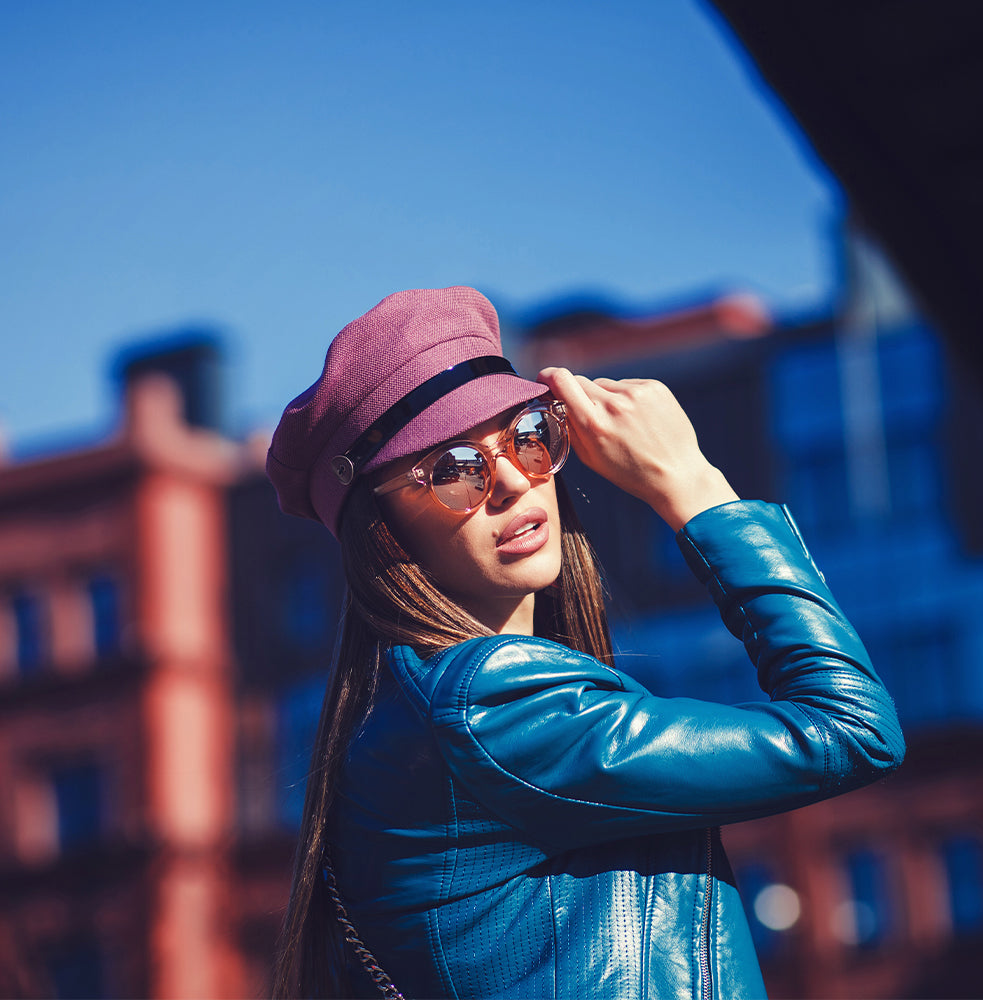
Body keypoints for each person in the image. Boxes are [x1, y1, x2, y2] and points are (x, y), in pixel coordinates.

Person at [266, 286, 904, 1000]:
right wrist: (695, 488)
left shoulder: (434, 711)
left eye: (528, 433)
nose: (512, 480)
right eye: (453, 469)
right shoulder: (486, 707)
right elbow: (852, 730)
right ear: (381, 530)